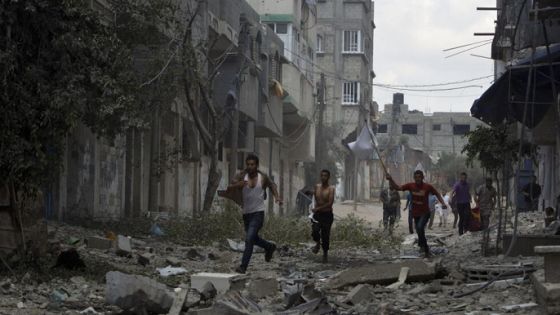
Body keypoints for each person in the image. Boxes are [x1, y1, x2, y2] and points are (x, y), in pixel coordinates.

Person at [229, 154, 283, 274]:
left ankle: (243, 267)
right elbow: (231, 185)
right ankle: (269, 247)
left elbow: (272, 185)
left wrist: (277, 197)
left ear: (256, 165)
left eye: (252, 164)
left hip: (258, 213)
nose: (250, 166)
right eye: (248, 164)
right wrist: (237, 185)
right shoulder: (242, 175)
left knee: (249, 239)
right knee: (253, 238)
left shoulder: (262, 177)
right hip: (246, 214)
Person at [387, 170, 447, 258]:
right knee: (419, 230)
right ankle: (421, 246)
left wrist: (443, 203)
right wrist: (390, 179)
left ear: (423, 178)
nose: (417, 179)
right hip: (416, 213)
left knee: (419, 227)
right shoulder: (411, 186)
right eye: (416, 177)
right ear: (414, 178)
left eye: (419, 177)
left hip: (425, 212)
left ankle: (426, 248)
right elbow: (398, 188)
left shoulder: (428, 187)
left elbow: (437, 194)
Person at [311, 169, 335, 263]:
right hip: (317, 215)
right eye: (322, 175)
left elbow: (330, 203)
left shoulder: (331, 189)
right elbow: (314, 196)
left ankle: (325, 254)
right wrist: (309, 192)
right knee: (315, 231)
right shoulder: (317, 186)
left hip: (327, 215)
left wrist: (318, 208)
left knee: (325, 235)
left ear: (328, 177)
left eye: (325, 176)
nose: (323, 177)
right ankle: (317, 243)